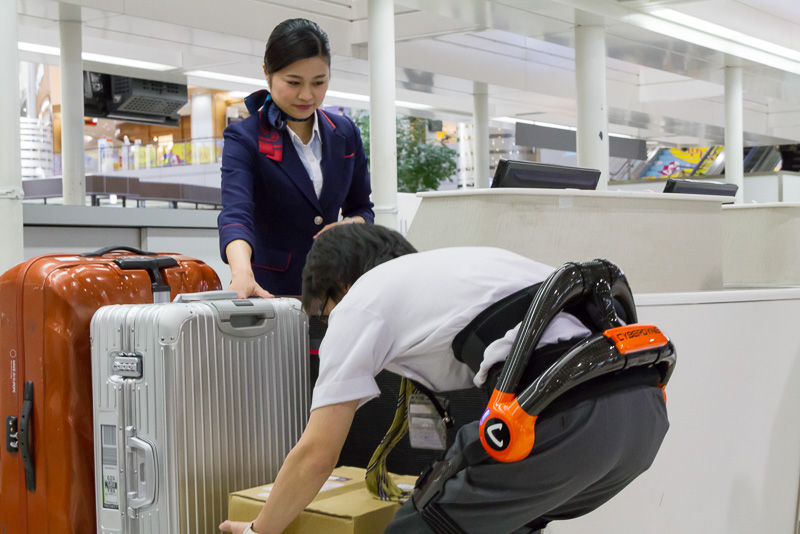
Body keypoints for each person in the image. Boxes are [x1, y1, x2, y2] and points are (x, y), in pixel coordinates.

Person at [219, 224, 670, 534]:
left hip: (567, 419)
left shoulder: (360, 303)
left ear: (335, 287)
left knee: (418, 529)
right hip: (640, 421)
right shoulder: (470, 263)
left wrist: (261, 529)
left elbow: (317, 453)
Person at [218, 18, 374, 298]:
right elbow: (236, 215)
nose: (307, 95)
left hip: (337, 291)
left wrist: (350, 227)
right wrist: (242, 274)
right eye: (293, 82)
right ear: (267, 73)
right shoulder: (245, 138)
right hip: (273, 293)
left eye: (319, 82)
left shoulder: (345, 133)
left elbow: (362, 208)